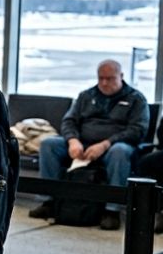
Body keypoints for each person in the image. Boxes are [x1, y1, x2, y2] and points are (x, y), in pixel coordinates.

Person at [28, 59, 148, 230]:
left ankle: (112, 210)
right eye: (101, 78)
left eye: (110, 79)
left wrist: (106, 144)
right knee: (49, 144)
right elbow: (69, 121)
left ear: (121, 76)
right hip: (83, 142)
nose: (104, 83)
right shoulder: (86, 96)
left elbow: (138, 130)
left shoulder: (136, 99)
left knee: (120, 152)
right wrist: (72, 140)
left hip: (115, 145)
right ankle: (48, 201)